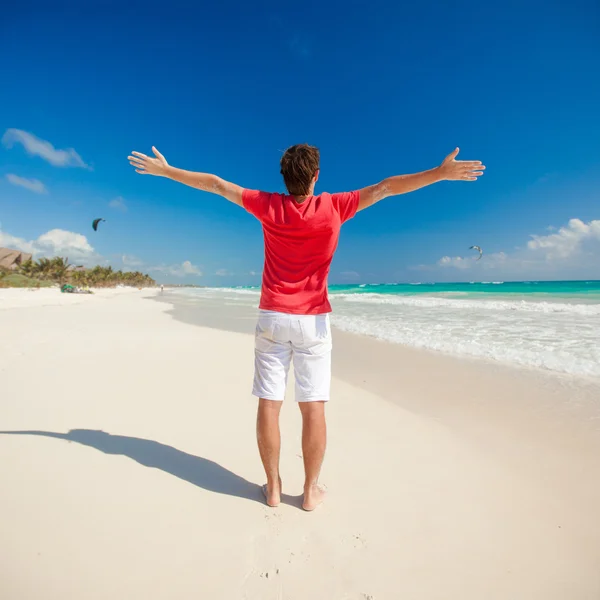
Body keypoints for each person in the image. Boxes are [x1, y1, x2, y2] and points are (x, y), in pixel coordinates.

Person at [128, 144, 485, 510]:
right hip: (312, 321)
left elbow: (218, 185)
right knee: (312, 406)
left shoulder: (268, 206)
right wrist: (439, 174)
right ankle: (310, 491)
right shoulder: (334, 206)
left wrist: (167, 172)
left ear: (284, 178)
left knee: (270, 402)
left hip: (273, 316)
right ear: (316, 176)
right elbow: (386, 187)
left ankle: (273, 488)